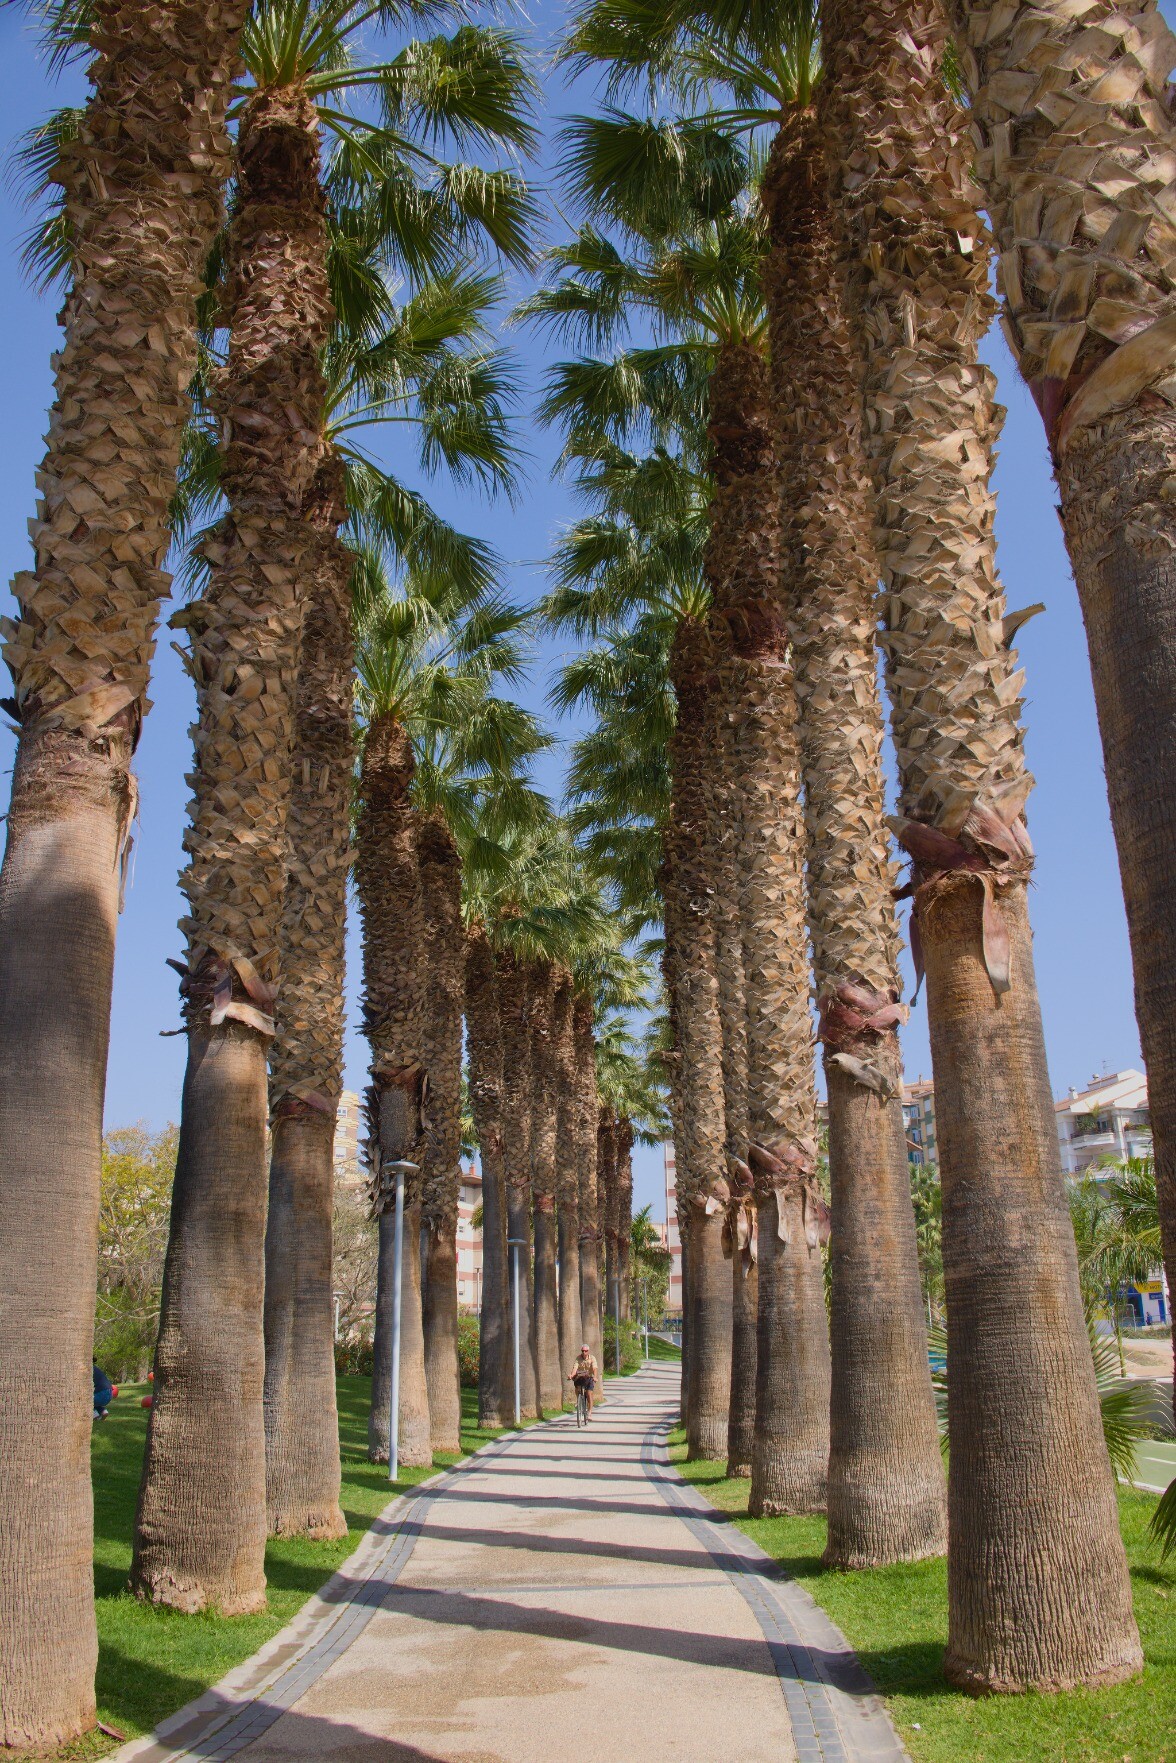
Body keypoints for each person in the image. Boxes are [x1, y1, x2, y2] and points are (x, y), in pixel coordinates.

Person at [567, 1343, 599, 1417]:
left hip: (589, 1377)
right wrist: (571, 1375)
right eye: (582, 1351)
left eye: (586, 1351)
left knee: (589, 1393)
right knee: (577, 1386)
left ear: (588, 1351)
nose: (584, 1352)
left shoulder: (592, 1358)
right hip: (581, 1376)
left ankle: (590, 1412)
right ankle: (578, 1400)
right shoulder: (578, 1358)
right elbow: (575, 1368)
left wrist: (595, 1377)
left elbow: (595, 1368)